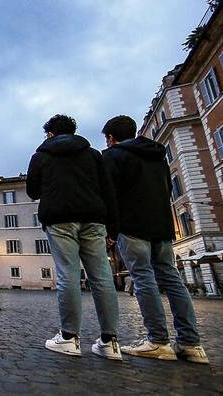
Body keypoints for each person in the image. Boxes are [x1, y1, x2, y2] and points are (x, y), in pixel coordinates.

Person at [101, 115, 209, 364]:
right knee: (172, 279)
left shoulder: (113, 157)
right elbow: (168, 190)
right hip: (162, 226)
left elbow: (110, 196)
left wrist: (111, 230)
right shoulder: (158, 156)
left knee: (143, 279)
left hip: (132, 226)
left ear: (110, 138)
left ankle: (158, 341)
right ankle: (191, 344)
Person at [26, 114, 121, 360]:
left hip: (59, 219)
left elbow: (32, 191)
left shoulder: (41, 155)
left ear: (50, 134)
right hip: (93, 218)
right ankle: (110, 342)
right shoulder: (93, 155)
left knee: (68, 275)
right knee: (101, 277)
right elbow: (108, 190)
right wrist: (113, 228)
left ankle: (69, 338)